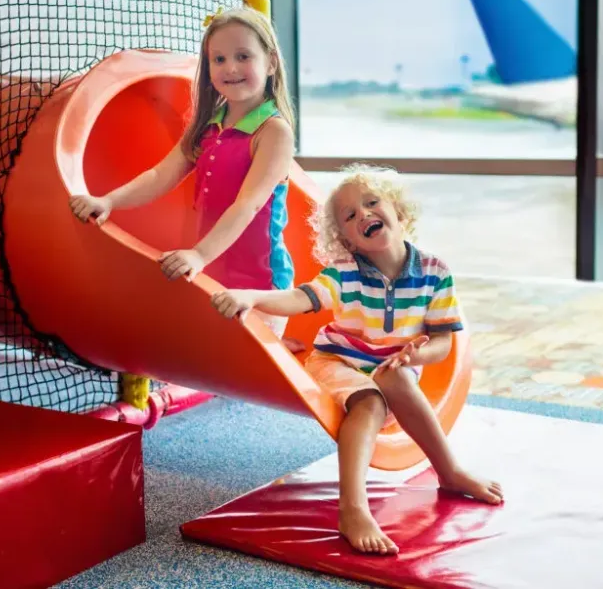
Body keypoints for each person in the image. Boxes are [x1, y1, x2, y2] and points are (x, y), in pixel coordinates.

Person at [210, 164, 503, 556]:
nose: (362, 214)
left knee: (395, 379)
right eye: (350, 216)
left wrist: (418, 352)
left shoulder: (435, 272)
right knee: (369, 403)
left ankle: (448, 470)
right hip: (338, 361)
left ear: (399, 212)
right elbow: (303, 298)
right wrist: (252, 297)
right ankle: (353, 509)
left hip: (392, 368)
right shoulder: (346, 273)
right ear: (347, 240)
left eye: (371, 203)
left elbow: (443, 343)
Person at [69, 6, 299, 342]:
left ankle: (282, 342)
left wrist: (198, 254)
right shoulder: (210, 124)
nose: (230, 68)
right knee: (219, 363)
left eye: (243, 56)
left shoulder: (273, 131)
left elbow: (247, 205)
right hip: (214, 272)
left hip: (260, 283)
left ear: (271, 63)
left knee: (248, 373)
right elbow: (160, 175)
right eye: (218, 59)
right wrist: (108, 201)